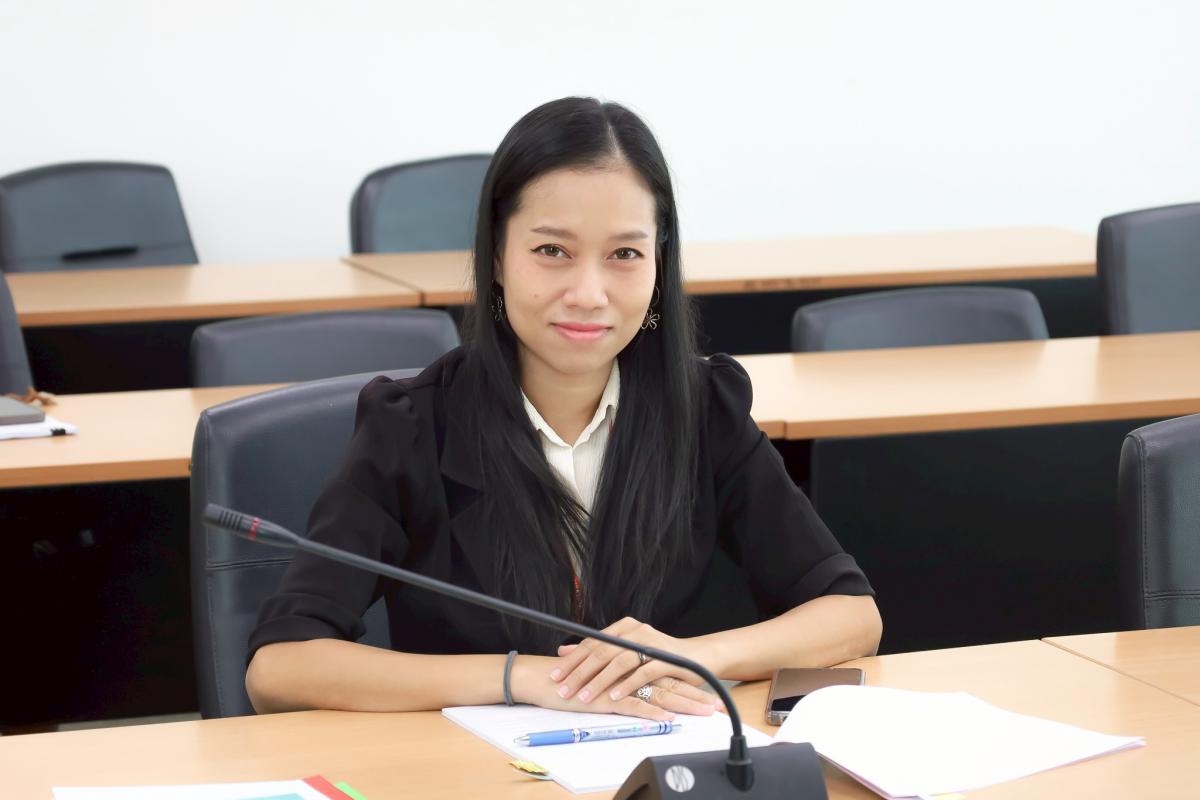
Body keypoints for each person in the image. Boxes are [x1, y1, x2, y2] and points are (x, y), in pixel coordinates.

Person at [246, 97, 881, 720]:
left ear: (659, 264)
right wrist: (520, 677)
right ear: (497, 255)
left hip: (644, 760)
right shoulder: (413, 427)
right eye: (552, 251)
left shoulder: (701, 410)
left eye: (625, 254)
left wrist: (692, 657)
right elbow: (279, 668)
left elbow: (852, 615)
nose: (589, 293)